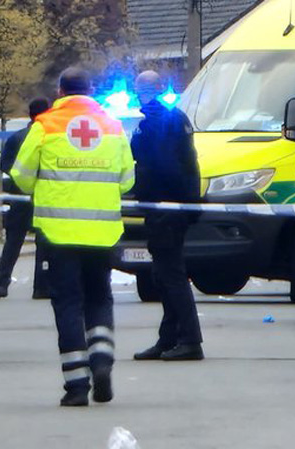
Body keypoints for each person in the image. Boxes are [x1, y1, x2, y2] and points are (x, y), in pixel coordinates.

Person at [10, 68, 135, 406]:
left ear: (60, 91)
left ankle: (77, 385)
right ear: (91, 89)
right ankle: (102, 358)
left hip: (58, 232)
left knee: (67, 303)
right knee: (99, 297)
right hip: (102, 231)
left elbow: (21, 176)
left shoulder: (45, 125)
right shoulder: (112, 125)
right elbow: (127, 180)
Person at [130, 70, 204, 362]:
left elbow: (163, 167)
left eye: (140, 90)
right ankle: (169, 338)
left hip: (165, 209)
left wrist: (150, 196)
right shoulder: (174, 118)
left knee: (171, 275)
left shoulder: (156, 122)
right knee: (164, 275)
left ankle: (190, 340)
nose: (139, 96)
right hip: (174, 207)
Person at [0, 98, 52, 300]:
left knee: (13, 242)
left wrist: (21, 178)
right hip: (43, 197)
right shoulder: (49, 138)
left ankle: (2, 283)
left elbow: (5, 164)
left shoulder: (17, 137)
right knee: (43, 243)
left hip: (19, 196)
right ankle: (41, 287)